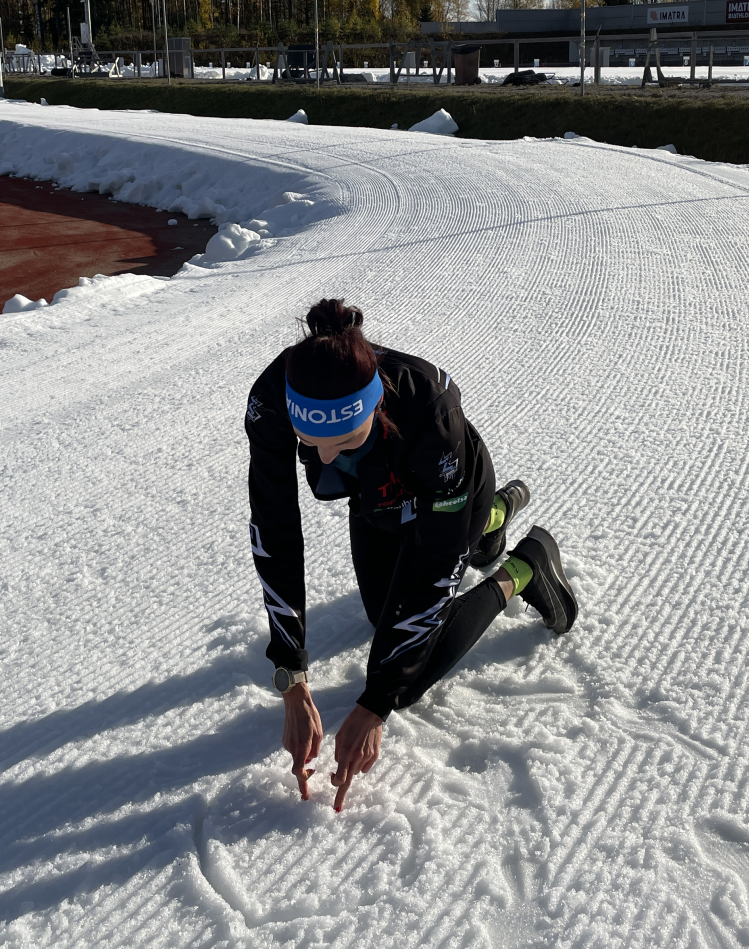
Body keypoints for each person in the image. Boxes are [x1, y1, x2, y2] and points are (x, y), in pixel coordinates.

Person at [245, 298, 577, 811]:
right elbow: (275, 534)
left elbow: (433, 570)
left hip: (448, 488)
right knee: (384, 618)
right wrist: (291, 675)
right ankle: (491, 523)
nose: (325, 457)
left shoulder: (429, 410)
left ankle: (525, 564)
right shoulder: (272, 400)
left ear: (376, 409)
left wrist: (376, 703)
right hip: (377, 497)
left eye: (344, 440)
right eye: (309, 444)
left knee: (409, 672)